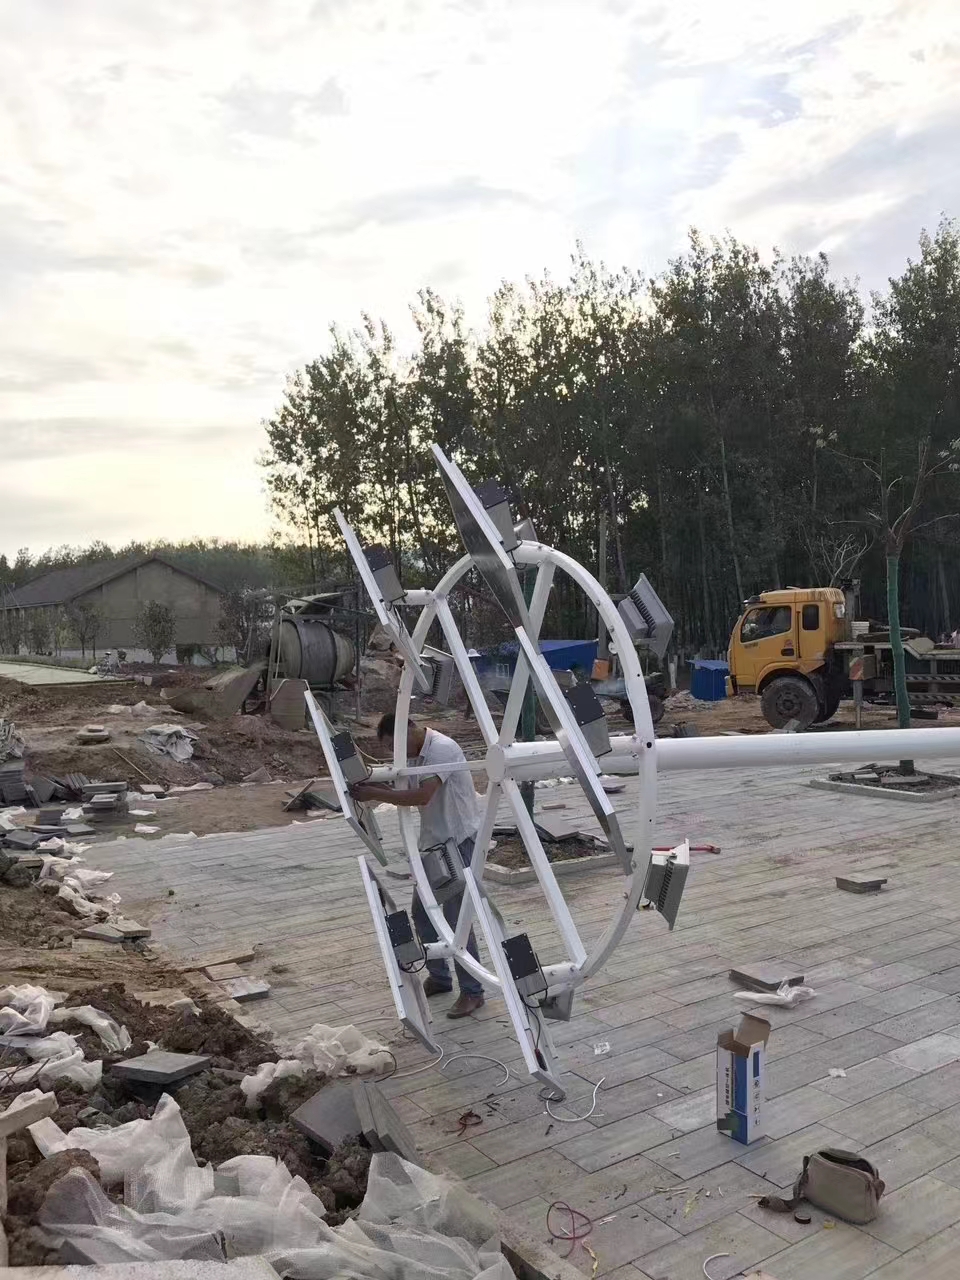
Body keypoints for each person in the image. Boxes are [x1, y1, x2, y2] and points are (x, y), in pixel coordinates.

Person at [349, 713, 485, 1018]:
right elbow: (402, 781)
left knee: (456, 920)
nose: (397, 753)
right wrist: (371, 781)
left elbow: (423, 795)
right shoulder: (414, 754)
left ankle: (473, 991)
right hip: (434, 845)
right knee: (422, 913)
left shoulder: (441, 749)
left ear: (409, 729)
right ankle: (440, 977)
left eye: (395, 745)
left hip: (456, 843)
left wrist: (375, 793)